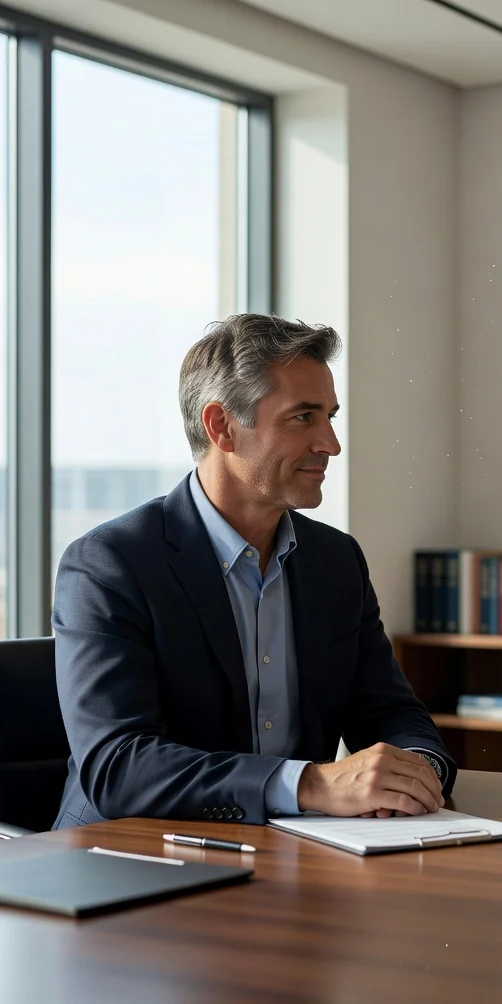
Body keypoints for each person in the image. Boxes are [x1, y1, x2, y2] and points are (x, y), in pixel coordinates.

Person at [53, 314, 454, 828]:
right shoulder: (109, 565)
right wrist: (310, 783)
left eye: (330, 417)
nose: (330, 444)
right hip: (124, 862)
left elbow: (390, 713)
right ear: (221, 426)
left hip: (291, 857)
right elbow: (119, 769)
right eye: (303, 417)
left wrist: (418, 771)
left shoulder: (336, 561)